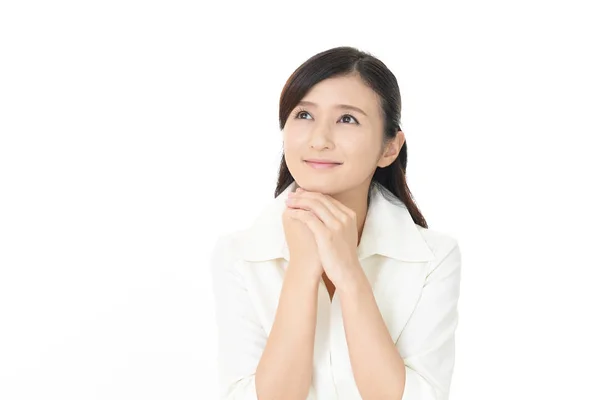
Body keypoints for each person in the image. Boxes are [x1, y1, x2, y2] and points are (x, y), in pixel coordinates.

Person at [209, 46, 462, 400]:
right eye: (303, 115)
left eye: (347, 119)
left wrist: (348, 273)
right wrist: (302, 270)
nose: (319, 139)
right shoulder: (238, 255)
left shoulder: (434, 257)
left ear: (390, 148)